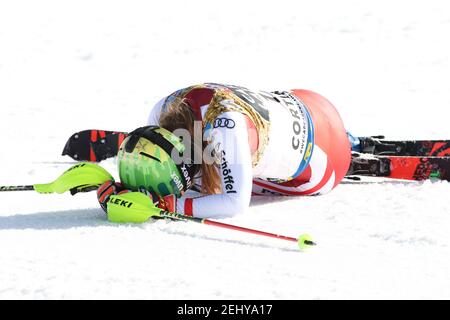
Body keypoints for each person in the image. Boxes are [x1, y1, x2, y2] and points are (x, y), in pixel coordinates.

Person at [97, 83, 351, 219]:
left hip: (323, 167)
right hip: (310, 100)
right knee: (217, 168)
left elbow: (234, 204)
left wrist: (166, 204)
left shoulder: (225, 132)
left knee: (207, 188)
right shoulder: (163, 107)